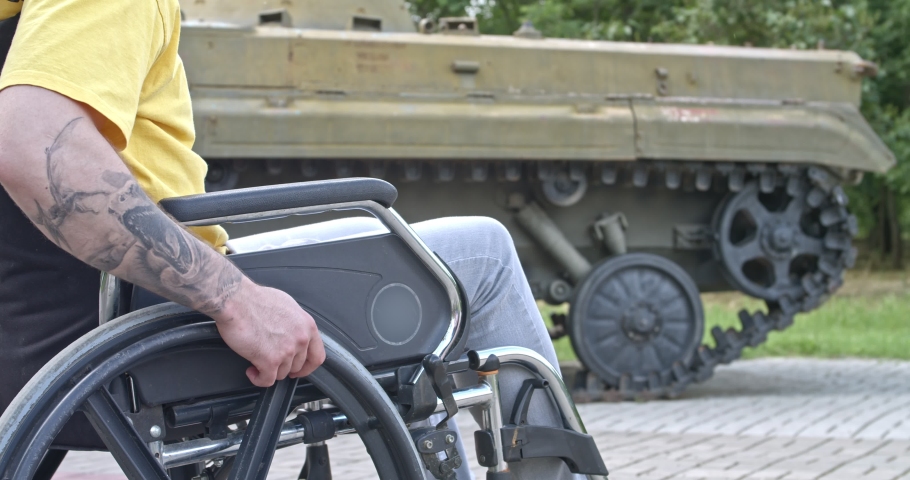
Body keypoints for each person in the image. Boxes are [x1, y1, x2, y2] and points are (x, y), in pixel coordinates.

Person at [0, 1, 577, 479]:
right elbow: (30, 141)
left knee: (414, 305)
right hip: (162, 318)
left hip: (47, 336)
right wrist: (234, 298)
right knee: (483, 255)